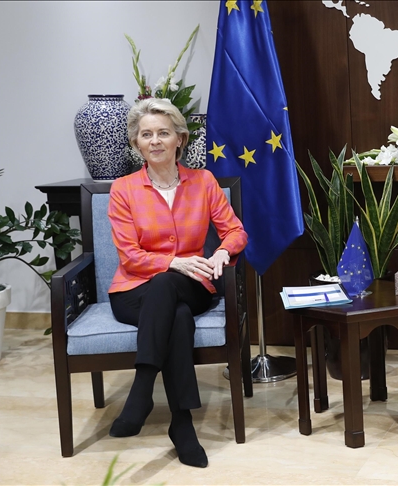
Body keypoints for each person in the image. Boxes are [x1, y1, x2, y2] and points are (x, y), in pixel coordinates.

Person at [106, 98, 248, 468]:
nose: (155, 141)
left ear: (179, 139)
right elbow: (130, 256)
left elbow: (235, 231)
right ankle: (182, 425)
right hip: (132, 291)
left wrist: (223, 252)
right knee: (177, 314)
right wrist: (173, 262)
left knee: (168, 286)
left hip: (191, 285)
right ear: (137, 143)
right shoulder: (123, 189)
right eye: (146, 134)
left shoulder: (203, 182)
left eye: (163, 133)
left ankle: (142, 390)